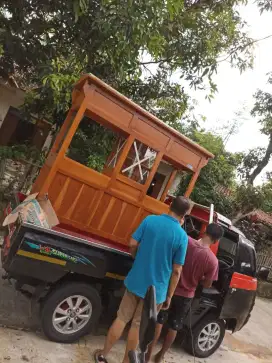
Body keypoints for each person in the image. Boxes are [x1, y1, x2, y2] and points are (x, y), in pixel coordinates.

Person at [94, 196, 191, 363]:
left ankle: (103, 354)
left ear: (169, 205)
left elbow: (132, 243)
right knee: (138, 326)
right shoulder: (182, 236)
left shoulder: (150, 220)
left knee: (121, 318)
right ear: (184, 215)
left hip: (135, 281)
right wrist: (169, 296)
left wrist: (136, 257)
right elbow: (176, 270)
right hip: (156, 291)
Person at [147, 223, 224, 363]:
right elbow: (207, 284)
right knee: (174, 326)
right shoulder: (213, 261)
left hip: (169, 289)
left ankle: (148, 354)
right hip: (186, 296)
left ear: (204, 231)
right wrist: (199, 278)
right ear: (217, 240)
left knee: (159, 320)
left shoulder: (185, 240)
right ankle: (160, 356)